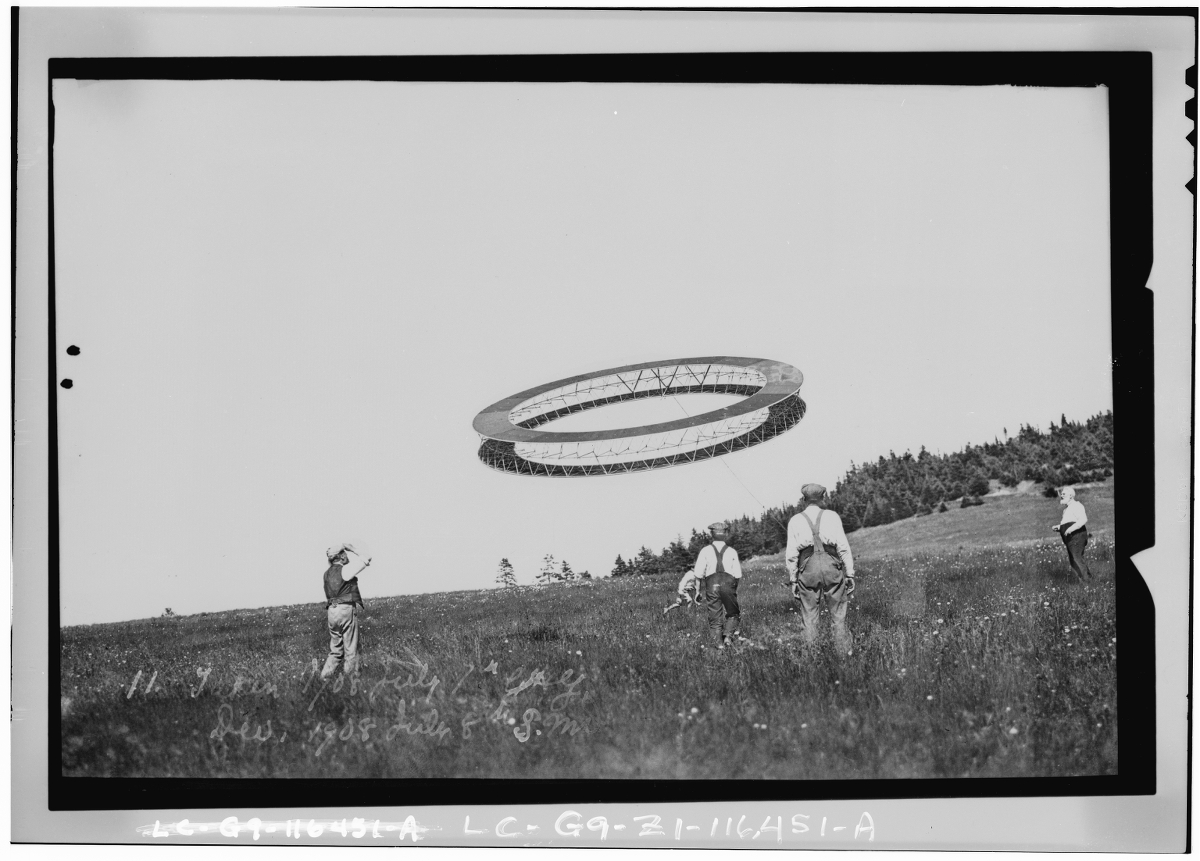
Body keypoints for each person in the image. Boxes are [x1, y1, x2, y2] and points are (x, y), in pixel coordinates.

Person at [785, 483, 856, 654]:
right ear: (822, 498)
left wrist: (793, 579)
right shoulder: (832, 516)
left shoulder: (795, 520)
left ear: (804, 499)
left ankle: (812, 656)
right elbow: (843, 547)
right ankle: (843, 653)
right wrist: (850, 574)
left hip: (807, 566)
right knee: (838, 614)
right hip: (831, 564)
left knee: (809, 616)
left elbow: (792, 553)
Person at [321, 542, 371, 680]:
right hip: (345, 609)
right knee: (351, 648)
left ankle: (324, 677)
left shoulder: (326, 574)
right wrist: (352, 548)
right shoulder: (345, 570)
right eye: (345, 554)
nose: (347, 556)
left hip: (331, 611)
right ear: (341, 556)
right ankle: (351, 680)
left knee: (335, 650)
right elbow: (367, 557)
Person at [692, 521, 743, 649]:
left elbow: (698, 574)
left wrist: (697, 591)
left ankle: (718, 645)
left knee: (714, 617)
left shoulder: (705, 551)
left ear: (711, 535)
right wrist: (732, 589)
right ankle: (728, 637)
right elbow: (737, 575)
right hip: (728, 584)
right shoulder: (731, 551)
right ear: (725, 534)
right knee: (733, 613)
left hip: (712, 585)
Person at [1052, 486, 1092, 580]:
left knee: (1076, 559)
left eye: (1064, 494)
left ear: (1071, 496)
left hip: (1077, 536)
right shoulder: (1066, 510)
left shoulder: (1077, 505)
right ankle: (1085, 580)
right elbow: (1068, 522)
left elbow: (1083, 519)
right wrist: (1059, 527)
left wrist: (1070, 529)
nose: (1061, 496)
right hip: (1070, 538)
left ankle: (1087, 581)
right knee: (1073, 560)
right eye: (1061, 494)